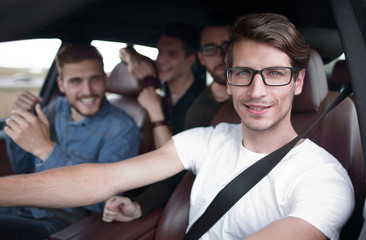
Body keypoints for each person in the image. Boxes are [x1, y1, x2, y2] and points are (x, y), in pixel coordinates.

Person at [0, 13, 354, 240]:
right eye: (243, 73)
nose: (256, 91)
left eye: (275, 74)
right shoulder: (206, 140)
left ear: (298, 82)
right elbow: (103, 179)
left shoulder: (323, 178)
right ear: (227, 80)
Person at [0, 43, 140, 239]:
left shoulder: (122, 128)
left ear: (105, 80)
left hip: (64, 222)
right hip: (28, 205)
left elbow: (106, 198)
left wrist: (46, 149)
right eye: (76, 81)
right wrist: (21, 119)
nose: (88, 90)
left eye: (95, 79)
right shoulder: (57, 108)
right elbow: (21, 167)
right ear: (61, 84)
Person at [120, 22, 205, 148]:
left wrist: (155, 110)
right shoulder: (157, 76)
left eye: (171, 54)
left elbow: (174, 160)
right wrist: (132, 57)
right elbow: (123, 51)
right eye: (159, 52)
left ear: (189, 60)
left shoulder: (202, 101)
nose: (160, 60)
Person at [184, 15, 231, 129]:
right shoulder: (197, 114)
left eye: (227, 46)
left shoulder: (263, 93)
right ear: (201, 58)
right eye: (209, 49)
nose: (220, 56)